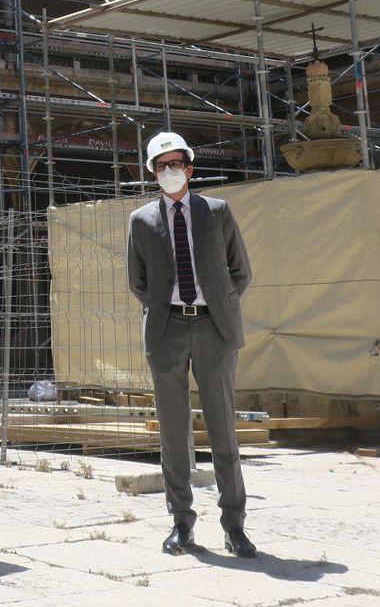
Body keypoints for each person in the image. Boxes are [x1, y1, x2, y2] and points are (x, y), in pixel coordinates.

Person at [127, 131, 257, 559]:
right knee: (173, 431)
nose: (170, 171)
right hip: (167, 331)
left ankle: (234, 525)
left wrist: (216, 304)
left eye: (176, 163)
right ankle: (181, 522)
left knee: (223, 428)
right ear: (151, 172)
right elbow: (138, 282)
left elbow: (240, 271)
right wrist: (165, 312)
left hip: (213, 328)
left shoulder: (216, 212)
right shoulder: (141, 220)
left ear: (190, 167)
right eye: (161, 165)